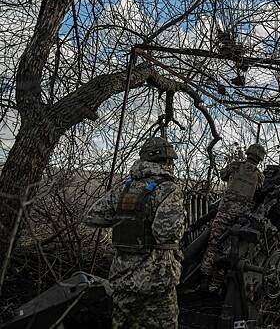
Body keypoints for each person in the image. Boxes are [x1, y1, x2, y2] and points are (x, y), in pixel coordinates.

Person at [84, 137, 186, 329]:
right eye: (170, 161)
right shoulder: (169, 189)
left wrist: (127, 219)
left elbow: (93, 216)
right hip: (156, 280)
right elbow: (165, 234)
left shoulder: (124, 187)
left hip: (121, 276)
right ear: (165, 161)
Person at [200, 143, 266, 289]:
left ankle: (204, 279)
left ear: (248, 153)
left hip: (224, 212)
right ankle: (216, 284)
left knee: (213, 244)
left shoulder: (235, 166)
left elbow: (223, 176)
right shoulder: (260, 176)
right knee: (229, 249)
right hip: (240, 219)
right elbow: (258, 192)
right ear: (260, 158)